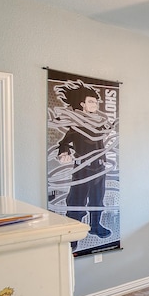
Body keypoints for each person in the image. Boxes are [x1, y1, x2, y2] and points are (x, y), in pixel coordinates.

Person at [54, 80, 112, 238]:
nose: (95, 104)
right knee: (77, 201)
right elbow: (64, 143)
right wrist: (64, 153)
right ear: (83, 104)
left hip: (99, 167)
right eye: (91, 101)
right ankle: (73, 235)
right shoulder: (76, 124)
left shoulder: (100, 122)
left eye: (96, 101)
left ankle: (95, 226)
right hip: (83, 169)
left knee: (98, 199)